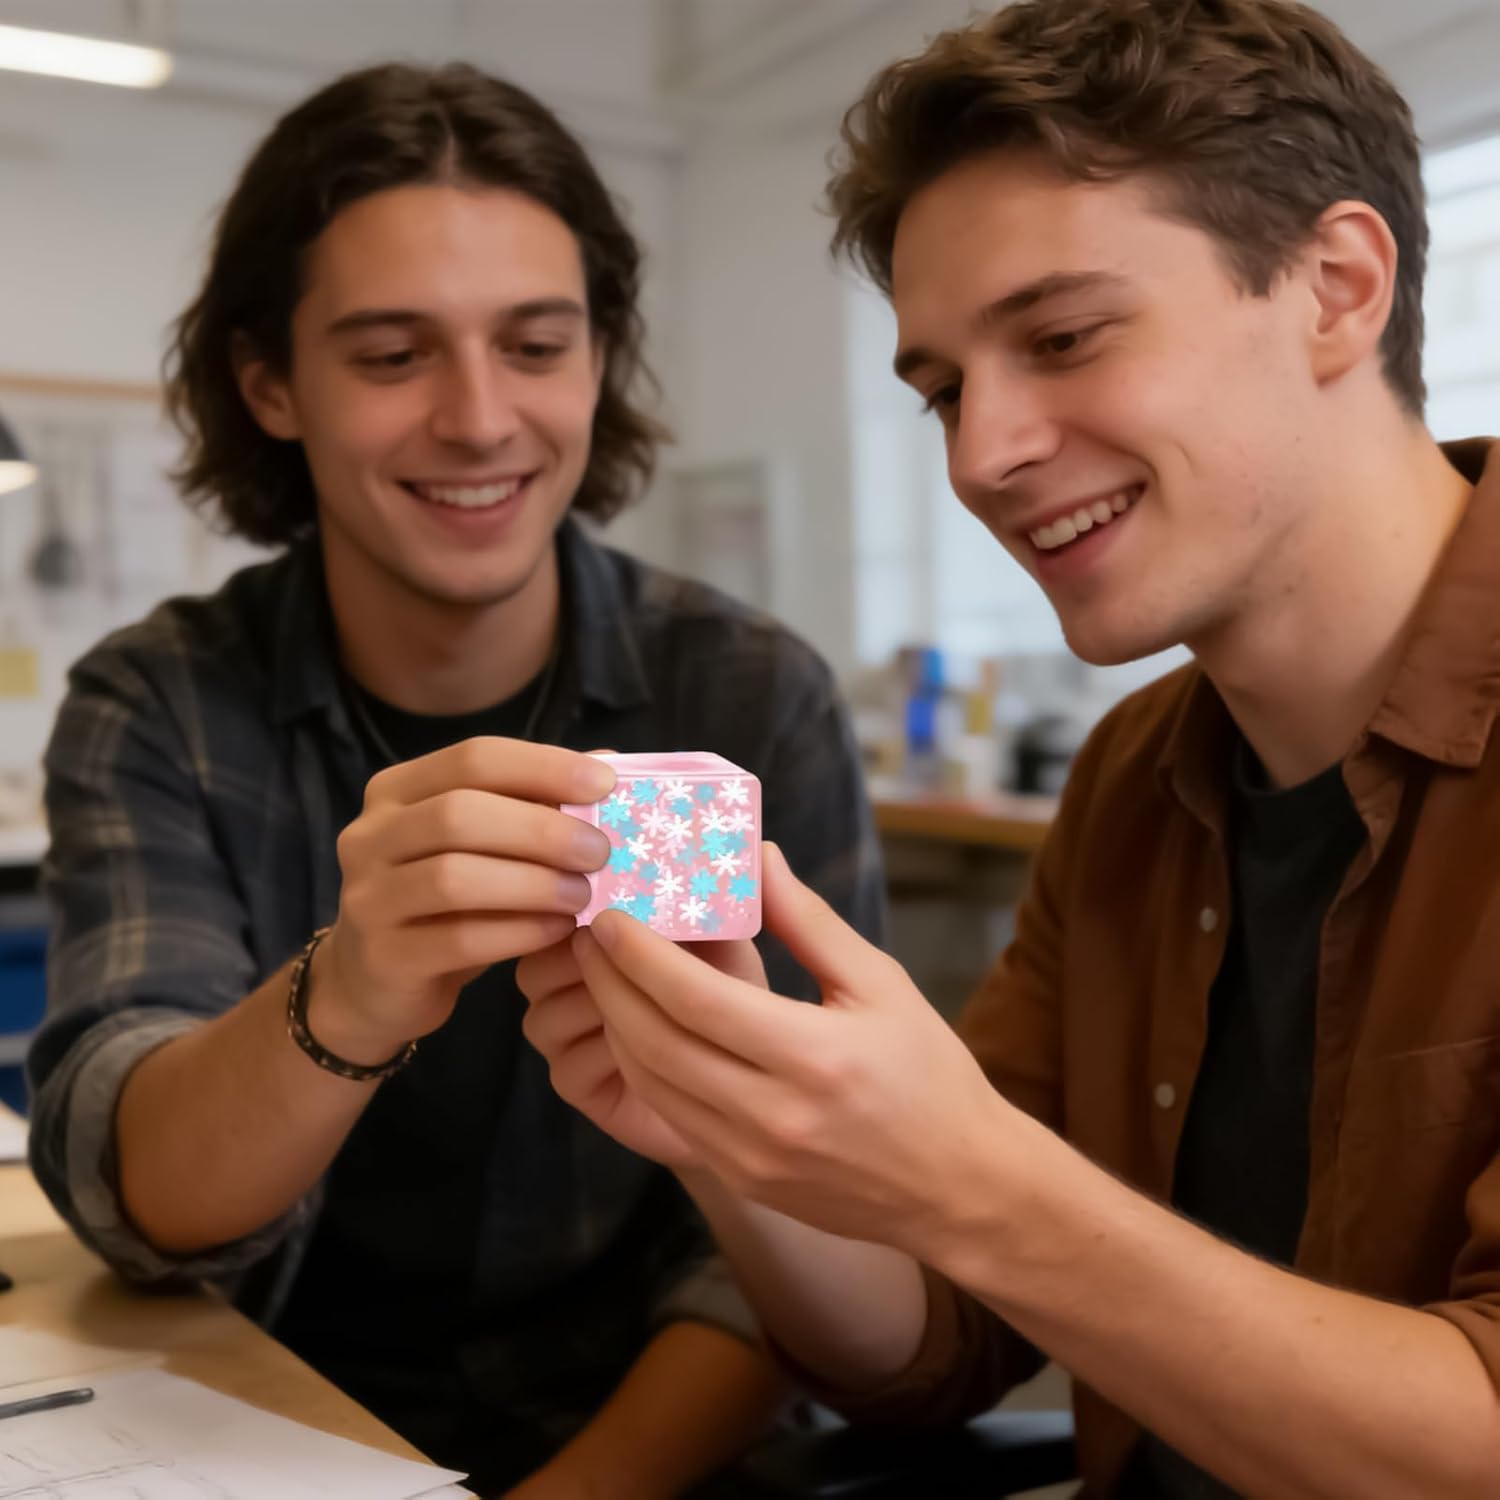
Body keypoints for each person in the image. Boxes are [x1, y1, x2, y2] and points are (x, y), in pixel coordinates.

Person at [518, 1, 1500, 1494]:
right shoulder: (1134, 781)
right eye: (945, 393)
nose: (982, 456)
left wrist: (975, 1182)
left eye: (1063, 338)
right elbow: (932, 1347)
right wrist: (731, 1126)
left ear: (1336, 289)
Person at [26, 62, 884, 1499]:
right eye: (391, 356)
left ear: (599, 361)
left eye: (536, 345)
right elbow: (139, 1196)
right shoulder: (162, 701)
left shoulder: (746, 695)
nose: (481, 419)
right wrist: (350, 989)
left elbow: (795, 1233)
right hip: (256, 1434)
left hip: (652, 1450)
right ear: (269, 384)